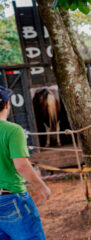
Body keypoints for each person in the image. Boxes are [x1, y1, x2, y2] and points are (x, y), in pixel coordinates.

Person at [0, 85, 51, 239]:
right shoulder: (13, 130)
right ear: (7, 105)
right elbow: (21, 167)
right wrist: (43, 187)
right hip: (11, 198)